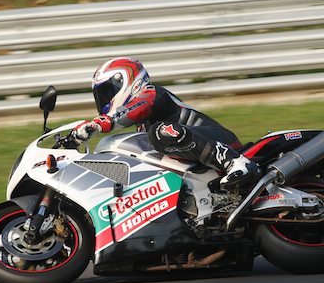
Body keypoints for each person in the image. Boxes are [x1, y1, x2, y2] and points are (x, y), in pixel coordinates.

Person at [71, 57, 260, 188]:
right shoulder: (142, 126)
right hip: (197, 162)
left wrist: (101, 123)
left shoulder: (153, 94)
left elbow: (138, 107)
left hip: (221, 140)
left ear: (127, 81)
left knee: (160, 132)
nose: (105, 99)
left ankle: (236, 162)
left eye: (107, 92)